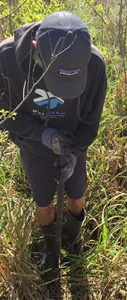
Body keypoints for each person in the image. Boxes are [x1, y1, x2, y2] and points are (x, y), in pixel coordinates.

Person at [0, 11, 107, 268]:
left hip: (73, 143)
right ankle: (52, 250)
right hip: (33, 146)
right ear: (36, 47)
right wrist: (42, 135)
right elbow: (3, 113)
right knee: (44, 202)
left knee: (76, 196)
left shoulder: (94, 63)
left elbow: (92, 121)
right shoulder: (6, 60)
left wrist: (73, 152)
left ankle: (75, 239)